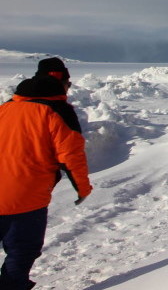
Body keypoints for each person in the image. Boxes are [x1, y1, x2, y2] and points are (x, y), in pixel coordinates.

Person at [0, 58, 92, 290]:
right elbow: (71, 156)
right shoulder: (58, 111)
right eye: (68, 84)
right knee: (21, 249)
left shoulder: (6, 107)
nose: (68, 90)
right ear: (60, 81)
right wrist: (82, 188)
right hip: (25, 198)